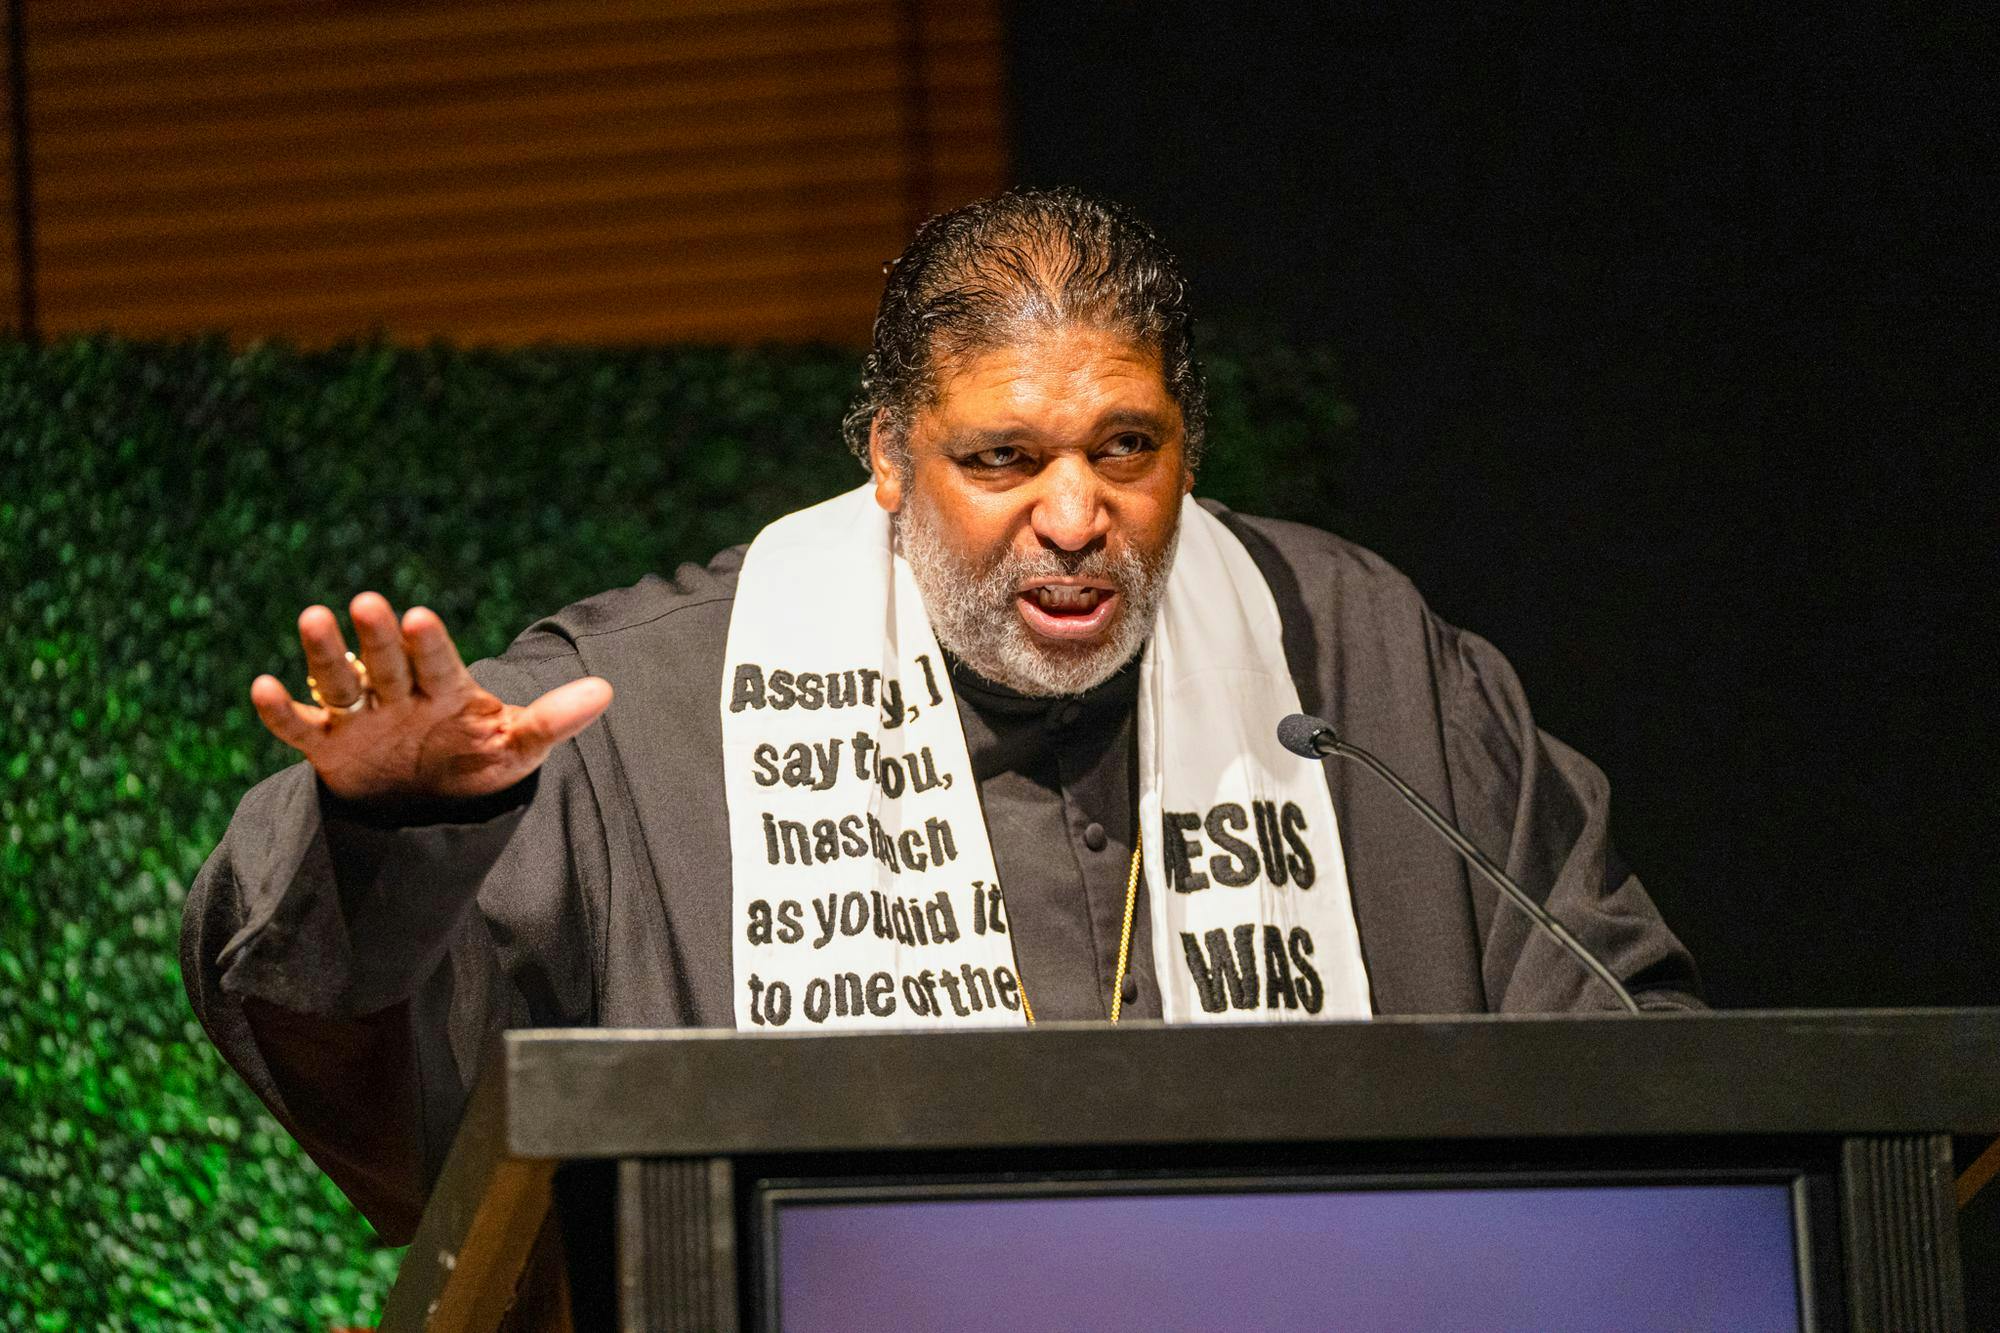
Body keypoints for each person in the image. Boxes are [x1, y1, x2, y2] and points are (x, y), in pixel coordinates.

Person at [182, 187, 1701, 1245]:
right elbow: (325, 1000)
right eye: (1002, 457)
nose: (1076, 514)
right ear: (891, 460)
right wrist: (386, 823)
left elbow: (1633, 1046)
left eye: (1127, 445)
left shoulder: (1357, 661)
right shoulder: (655, 708)